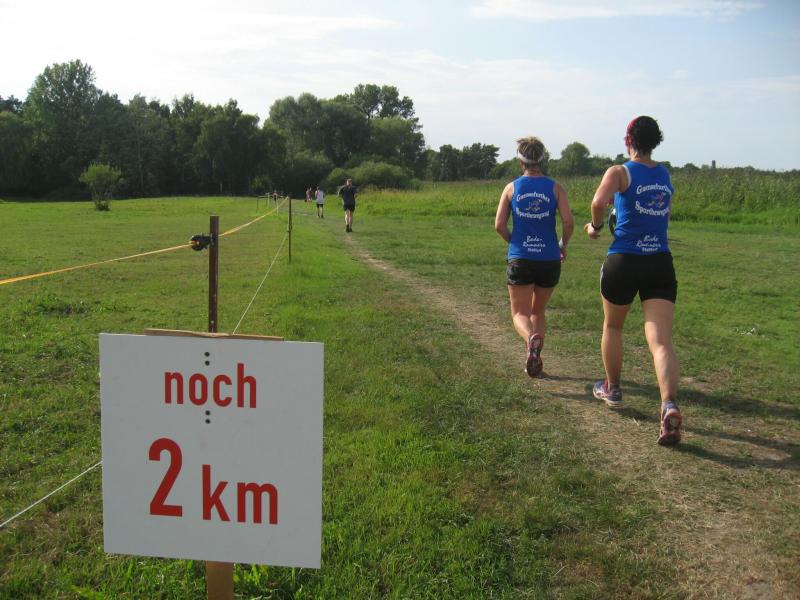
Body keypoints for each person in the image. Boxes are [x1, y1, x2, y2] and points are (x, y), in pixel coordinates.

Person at [584, 115, 682, 446]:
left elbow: (598, 202)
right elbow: (666, 212)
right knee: (661, 341)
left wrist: (595, 227)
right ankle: (668, 404)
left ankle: (612, 388)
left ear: (629, 141)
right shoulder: (664, 174)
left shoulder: (619, 172)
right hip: (659, 262)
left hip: (624, 260)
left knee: (613, 326)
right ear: (655, 141)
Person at [495, 136, 574, 377]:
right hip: (549, 259)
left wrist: (514, 241)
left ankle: (531, 339)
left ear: (521, 161)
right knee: (537, 312)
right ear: (542, 159)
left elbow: (499, 225)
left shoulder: (511, 188)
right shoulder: (555, 188)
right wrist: (562, 245)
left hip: (521, 258)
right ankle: (535, 358)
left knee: (519, 314)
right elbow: (568, 223)